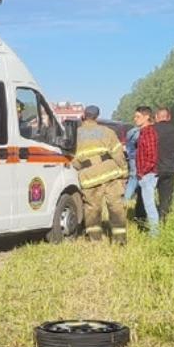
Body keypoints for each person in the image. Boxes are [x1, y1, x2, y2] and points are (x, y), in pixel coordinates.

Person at [72, 104, 128, 243]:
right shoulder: (107, 131)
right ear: (97, 117)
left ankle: (95, 239)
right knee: (116, 207)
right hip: (110, 173)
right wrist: (124, 172)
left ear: (83, 115)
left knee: (92, 209)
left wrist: (81, 167)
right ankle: (119, 239)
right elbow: (118, 154)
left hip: (90, 177)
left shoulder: (76, 134)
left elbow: (74, 160)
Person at [129, 106, 160, 234]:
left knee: (149, 206)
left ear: (147, 117)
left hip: (148, 174)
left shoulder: (149, 132)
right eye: (135, 116)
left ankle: (155, 234)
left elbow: (152, 157)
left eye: (138, 116)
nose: (135, 119)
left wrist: (142, 172)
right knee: (148, 205)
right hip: (144, 174)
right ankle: (153, 232)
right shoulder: (142, 132)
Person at [153, 107, 174, 218]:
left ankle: (147, 219)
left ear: (156, 117)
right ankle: (163, 219)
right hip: (170, 168)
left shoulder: (151, 130)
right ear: (169, 117)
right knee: (166, 196)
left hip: (155, 167)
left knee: (147, 195)